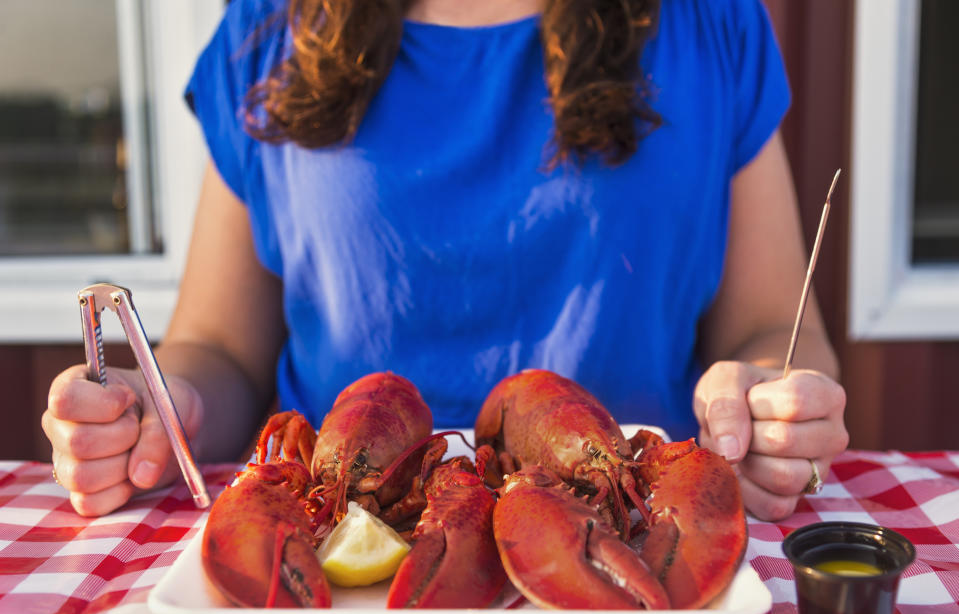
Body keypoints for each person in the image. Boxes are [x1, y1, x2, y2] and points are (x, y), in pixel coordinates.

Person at [42, 0, 848, 521]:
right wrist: (159, 408)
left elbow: (776, 324)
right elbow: (218, 346)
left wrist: (770, 409)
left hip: (634, 526)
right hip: (341, 538)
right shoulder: (266, 29)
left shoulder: (710, 21)